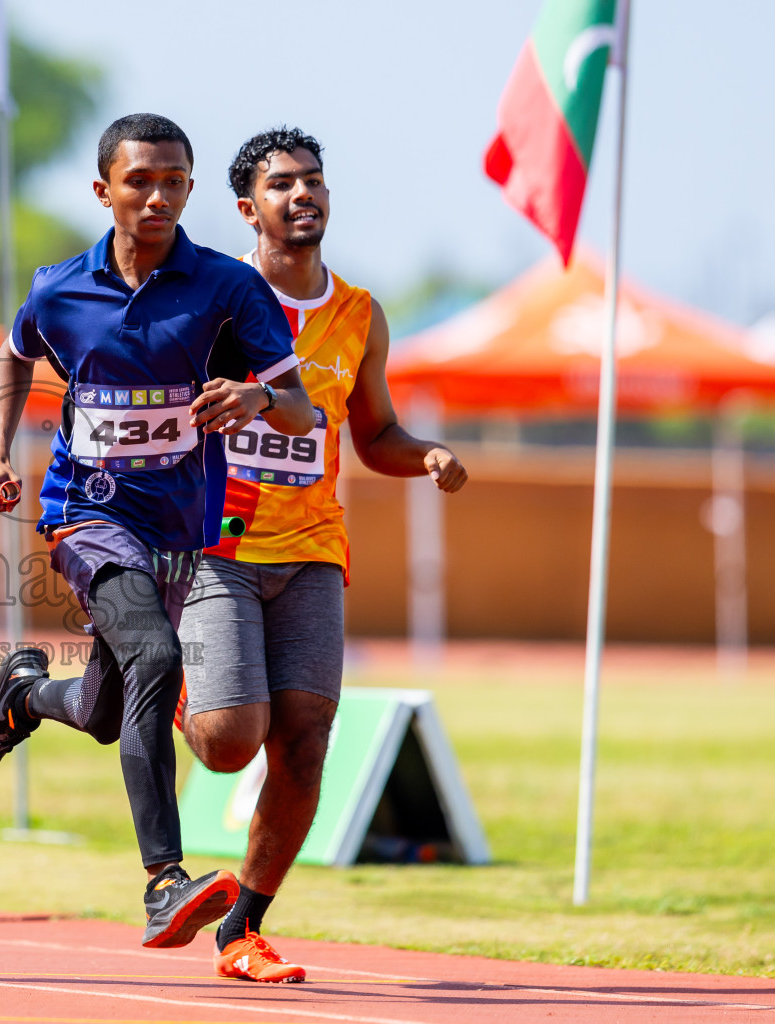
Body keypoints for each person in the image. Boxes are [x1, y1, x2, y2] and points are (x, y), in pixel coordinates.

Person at [0, 113, 316, 949]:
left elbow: (302, 409)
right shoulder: (60, 290)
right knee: (157, 657)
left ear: (192, 188)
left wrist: (259, 398)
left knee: (104, 709)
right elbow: (15, 353)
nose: (159, 197)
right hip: (86, 516)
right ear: (103, 191)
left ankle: (22, 696)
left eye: (175, 182)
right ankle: (165, 882)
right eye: (140, 181)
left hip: (181, 535)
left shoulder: (229, 289)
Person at [176, 127, 467, 982]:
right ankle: (169, 672)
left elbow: (373, 433)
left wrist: (428, 456)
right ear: (246, 208)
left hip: (311, 554)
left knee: (303, 746)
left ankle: (243, 929)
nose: (303, 196)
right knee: (231, 742)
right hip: (216, 549)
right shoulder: (206, 300)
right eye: (282, 185)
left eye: (314, 182)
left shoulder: (359, 314)